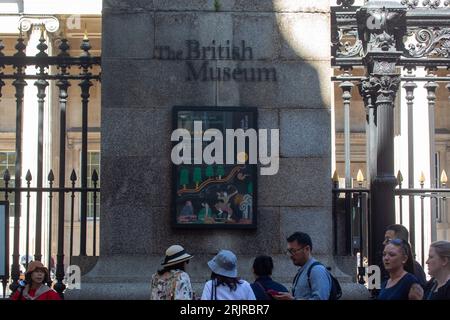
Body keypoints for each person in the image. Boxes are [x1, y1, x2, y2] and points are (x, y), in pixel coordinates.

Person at [274, 232, 332, 300]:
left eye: (293, 251)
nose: (290, 255)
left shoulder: (317, 270)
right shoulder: (304, 270)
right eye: (289, 251)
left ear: (307, 249)